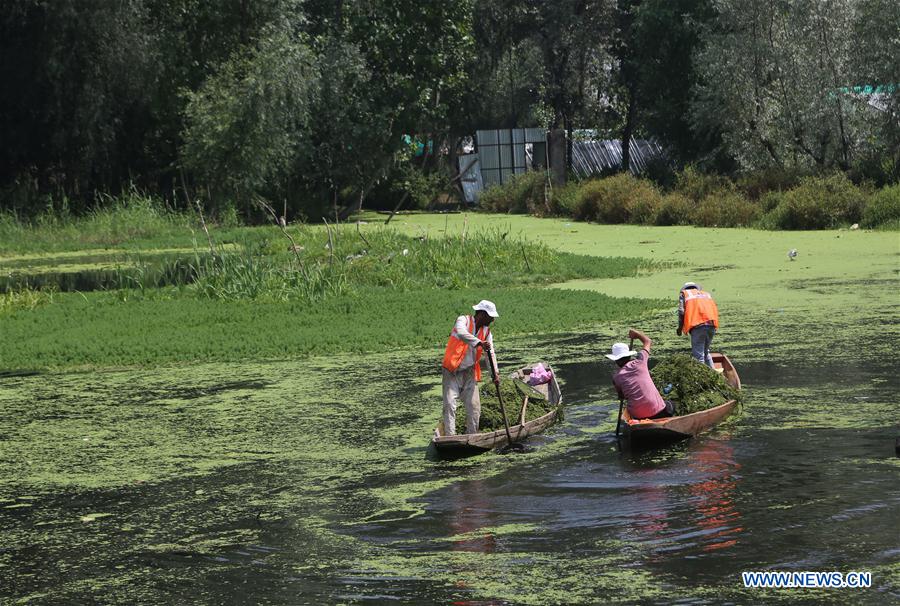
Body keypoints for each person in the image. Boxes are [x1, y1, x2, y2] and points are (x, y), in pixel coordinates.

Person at [441, 300, 500, 435]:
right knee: (449, 404)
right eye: (490, 317)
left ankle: (472, 436)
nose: (492, 320)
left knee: (474, 407)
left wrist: (495, 374)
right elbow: (461, 333)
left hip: (469, 372)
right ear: (482, 314)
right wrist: (479, 343)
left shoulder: (486, 332)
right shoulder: (463, 320)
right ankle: (450, 437)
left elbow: (490, 353)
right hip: (452, 370)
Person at [607, 328, 674, 420]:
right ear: (629, 356)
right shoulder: (640, 361)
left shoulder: (616, 378)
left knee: (631, 409)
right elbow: (648, 341)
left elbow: (621, 396)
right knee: (671, 405)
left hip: (638, 416)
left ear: (616, 360)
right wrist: (636, 334)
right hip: (658, 411)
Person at [677, 282, 719, 368]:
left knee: (698, 356)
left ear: (685, 289)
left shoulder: (684, 294)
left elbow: (681, 311)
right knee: (706, 352)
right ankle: (714, 373)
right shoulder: (706, 294)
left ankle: (702, 376)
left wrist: (680, 328)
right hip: (711, 325)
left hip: (698, 326)